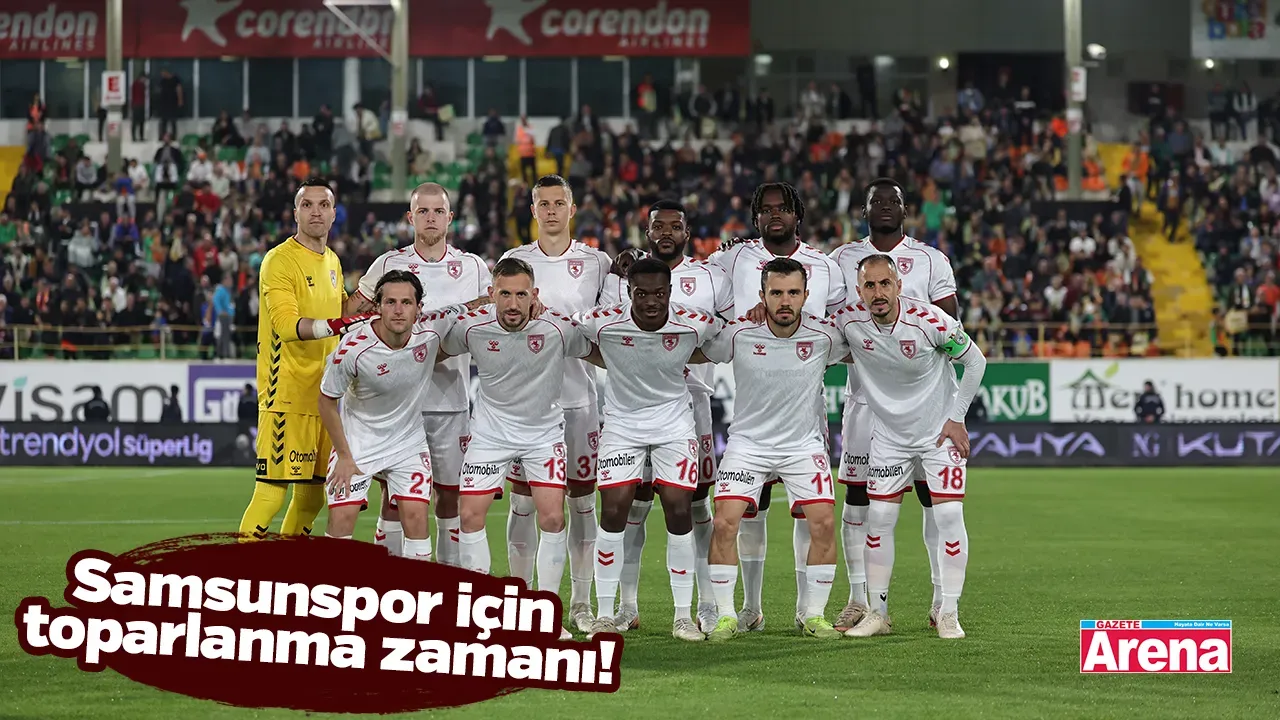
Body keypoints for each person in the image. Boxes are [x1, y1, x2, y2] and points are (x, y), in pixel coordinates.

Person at [708, 182, 846, 633]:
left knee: (821, 522)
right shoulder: (738, 328)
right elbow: (693, 341)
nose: (784, 301)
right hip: (748, 442)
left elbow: (868, 340)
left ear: (805, 295)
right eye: (776, 294)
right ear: (762, 296)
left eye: (792, 294)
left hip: (803, 441)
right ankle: (731, 614)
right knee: (727, 523)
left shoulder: (825, 333)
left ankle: (812, 614)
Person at [441, 258, 602, 640]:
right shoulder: (471, 327)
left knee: (553, 518)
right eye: (505, 294)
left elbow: (602, 352)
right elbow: (432, 350)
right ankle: (479, 614)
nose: (513, 304)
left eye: (521, 294)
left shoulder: (558, 328)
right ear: (491, 294)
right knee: (469, 516)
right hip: (490, 435)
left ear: (535, 295)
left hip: (542, 435)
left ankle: (546, 615)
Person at [828, 178, 960, 632]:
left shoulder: (931, 259)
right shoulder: (841, 259)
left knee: (932, 500)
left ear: (906, 210)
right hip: (865, 399)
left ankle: (941, 601)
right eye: (876, 201)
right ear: (863, 210)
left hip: (923, 405)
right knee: (858, 502)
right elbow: (831, 324)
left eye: (894, 201)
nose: (885, 206)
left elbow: (951, 326)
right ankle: (859, 601)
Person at [832, 254, 986, 640]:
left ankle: (948, 611)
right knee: (880, 519)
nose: (878, 293)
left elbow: (976, 361)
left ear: (899, 285)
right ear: (859, 291)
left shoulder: (931, 320)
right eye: (870, 286)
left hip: (938, 435)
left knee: (948, 515)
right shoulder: (848, 322)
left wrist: (957, 418)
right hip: (889, 437)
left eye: (885, 283)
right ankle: (878, 613)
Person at [599, 199, 734, 634]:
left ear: (687, 232)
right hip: (631, 406)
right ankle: (626, 606)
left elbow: (727, 334)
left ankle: (706, 605)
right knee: (632, 507)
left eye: (675, 227)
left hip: (691, 406)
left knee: (695, 506)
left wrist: (675, 356)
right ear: (647, 231)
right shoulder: (624, 276)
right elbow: (602, 335)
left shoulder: (710, 276)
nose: (666, 233)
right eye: (658, 226)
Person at [572, 257, 723, 642]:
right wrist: (612, 358)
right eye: (641, 294)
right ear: (628, 292)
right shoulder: (602, 321)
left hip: (674, 427)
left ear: (670, 292)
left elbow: (722, 340)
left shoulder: (694, 322)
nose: (651, 301)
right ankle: (605, 614)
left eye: (659, 293)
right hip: (622, 427)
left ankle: (683, 617)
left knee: (679, 509)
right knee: (614, 510)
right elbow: (571, 331)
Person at [347, 183, 491, 564]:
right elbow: (351, 313)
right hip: (396, 405)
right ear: (410, 217)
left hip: (450, 402)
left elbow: (495, 314)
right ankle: (393, 585)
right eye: (423, 212)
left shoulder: (473, 267)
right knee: (394, 500)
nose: (431, 218)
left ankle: (446, 585)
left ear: (450, 218)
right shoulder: (388, 264)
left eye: (438, 211)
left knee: (449, 498)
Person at [501, 174, 612, 634]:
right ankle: (521, 601)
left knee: (582, 503)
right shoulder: (514, 262)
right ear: (533, 211)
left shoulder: (597, 263)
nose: (550, 210)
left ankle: (581, 603)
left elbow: (611, 324)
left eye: (558, 203)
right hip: (527, 405)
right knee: (523, 503)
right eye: (542, 203)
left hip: (579, 400)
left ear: (572, 208)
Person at [238, 178, 372, 540]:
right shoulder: (279, 261)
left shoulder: (332, 261)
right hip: (287, 396)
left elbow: (340, 313)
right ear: (295, 212)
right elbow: (286, 326)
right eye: (307, 205)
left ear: (334, 214)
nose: (316, 212)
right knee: (270, 495)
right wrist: (341, 323)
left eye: (323, 205)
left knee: (312, 499)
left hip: (325, 398)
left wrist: (369, 300)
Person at [318, 271, 462, 561]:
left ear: (419, 308)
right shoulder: (353, 349)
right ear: (378, 307)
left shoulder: (431, 331)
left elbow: (474, 307)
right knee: (341, 521)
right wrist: (344, 457)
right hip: (358, 444)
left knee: (417, 519)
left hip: (408, 443)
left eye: (406, 302)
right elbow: (326, 401)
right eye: (390, 302)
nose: (398, 310)